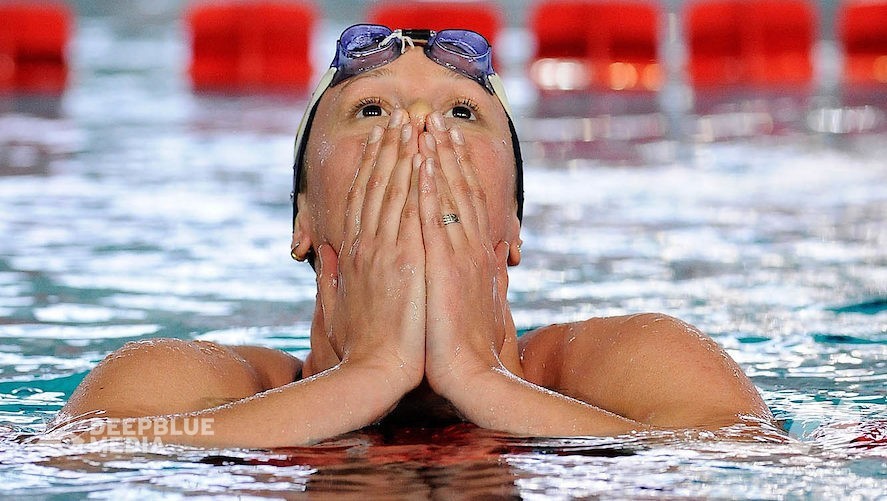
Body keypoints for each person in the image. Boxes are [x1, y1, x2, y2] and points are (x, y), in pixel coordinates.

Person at [47, 25, 773, 448]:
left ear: (511, 228)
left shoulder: (627, 363)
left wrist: (478, 376)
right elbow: (78, 458)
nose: (417, 133)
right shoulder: (183, 384)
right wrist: (366, 374)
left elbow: (750, 462)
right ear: (303, 220)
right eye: (369, 112)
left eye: (460, 113)